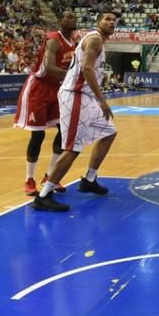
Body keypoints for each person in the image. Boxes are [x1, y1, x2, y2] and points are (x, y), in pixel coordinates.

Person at [32, 11, 119, 212]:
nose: (111, 22)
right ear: (98, 22)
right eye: (107, 19)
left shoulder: (96, 40)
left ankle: (89, 179)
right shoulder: (95, 39)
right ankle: (44, 195)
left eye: (114, 20)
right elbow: (87, 69)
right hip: (75, 95)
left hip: (84, 96)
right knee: (72, 148)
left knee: (109, 133)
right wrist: (102, 100)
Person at [14, 11, 78, 196]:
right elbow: (49, 67)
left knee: (63, 131)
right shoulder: (53, 40)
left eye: (74, 17)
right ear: (61, 21)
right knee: (38, 135)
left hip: (56, 89)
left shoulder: (73, 43)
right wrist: (73, 76)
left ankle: (51, 176)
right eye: (67, 17)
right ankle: (29, 179)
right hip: (38, 88)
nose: (72, 19)